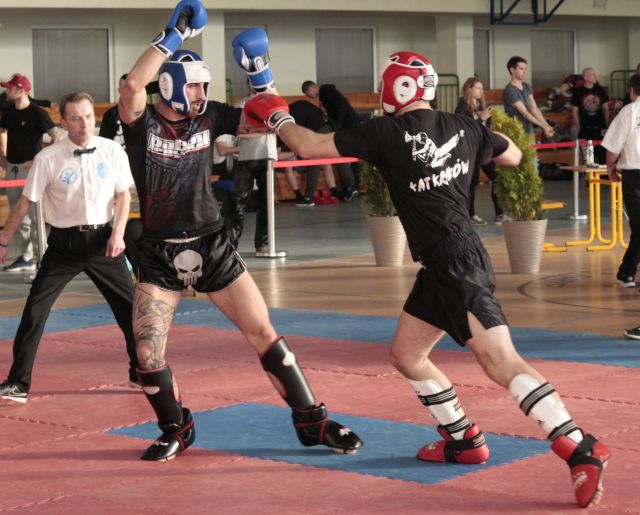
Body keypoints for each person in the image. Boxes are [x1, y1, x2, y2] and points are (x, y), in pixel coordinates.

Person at [245, 51, 611, 509]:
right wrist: (477, 140)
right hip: (443, 264)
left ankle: (579, 447)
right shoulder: (464, 127)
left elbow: (309, 145)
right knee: (407, 355)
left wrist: (275, 113)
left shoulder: (387, 132)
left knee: (501, 361)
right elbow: (514, 155)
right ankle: (464, 439)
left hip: (457, 264)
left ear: (398, 88)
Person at [117, 4, 362, 461]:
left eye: (203, 85)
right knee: (147, 354)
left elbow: (262, 118)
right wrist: (174, 34)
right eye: (193, 85)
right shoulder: (142, 124)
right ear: (168, 84)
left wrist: (260, 76)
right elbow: (132, 87)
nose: (201, 93)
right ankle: (176, 428)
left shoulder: (210, 116)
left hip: (211, 245)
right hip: (159, 253)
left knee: (264, 332)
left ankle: (313, 422)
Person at [0, 92, 140, 404]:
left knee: (130, 310)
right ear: (63, 122)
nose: (84, 123)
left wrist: (118, 234)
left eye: (88, 116)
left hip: (104, 242)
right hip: (63, 245)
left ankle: (140, 371)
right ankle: (19, 383)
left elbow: (123, 196)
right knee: (35, 310)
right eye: (75, 118)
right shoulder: (47, 158)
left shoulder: (112, 150)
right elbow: (26, 202)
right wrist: (4, 239)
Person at [0, 73, 62, 272]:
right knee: (17, 215)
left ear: (21, 90)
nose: (6, 90)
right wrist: (2, 155)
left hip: (31, 170)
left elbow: (57, 136)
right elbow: (2, 131)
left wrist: (40, 159)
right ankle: (26, 257)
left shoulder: (37, 112)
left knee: (35, 216)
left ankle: (42, 256)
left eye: (10, 87)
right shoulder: (9, 111)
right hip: (12, 168)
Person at [601, 73, 640, 293]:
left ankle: (626, 271)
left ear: (632, 91)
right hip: (634, 176)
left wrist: (610, 167)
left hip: (633, 177)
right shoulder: (629, 111)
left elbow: (613, 146)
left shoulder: (628, 111)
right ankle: (627, 271)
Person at [455, 78, 511, 224]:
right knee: (471, 183)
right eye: (478, 88)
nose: (481, 91)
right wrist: (481, 118)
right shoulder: (462, 108)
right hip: (470, 151)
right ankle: (470, 215)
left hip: (484, 149)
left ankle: (500, 213)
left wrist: (488, 120)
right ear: (469, 89)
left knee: (497, 177)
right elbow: (466, 131)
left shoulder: (481, 106)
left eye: (482, 88)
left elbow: (485, 128)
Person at [302, 80, 361, 190]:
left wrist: (338, 125)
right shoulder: (323, 96)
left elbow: (341, 105)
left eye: (307, 94)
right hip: (345, 125)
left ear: (310, 89)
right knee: (347, 155)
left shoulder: (326, 90)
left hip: (348, 124)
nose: (309, 96)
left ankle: (354, 186)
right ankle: (352, 186)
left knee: (351, 155)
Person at [503, 56, 554, 140]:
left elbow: (534, 109)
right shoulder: (509, 90)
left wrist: (547, 126)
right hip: (516, 133)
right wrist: (543, 126)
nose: (524, 72)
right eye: (521, 69)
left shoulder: (527, 86)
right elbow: (525, 113)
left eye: (525, 69)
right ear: (512, 70)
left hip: (529, 131)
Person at [571, 67, 610, 164]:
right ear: (585, 77)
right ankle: (588, 173)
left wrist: (606, 125)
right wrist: (579, 128)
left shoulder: (600, 89)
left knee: (603, 157)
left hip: (600, 128)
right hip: (585, 129)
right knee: (588, 159)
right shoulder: (578, 91)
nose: (595, 76)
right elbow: (574, 111)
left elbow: (606, 108)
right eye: (592, 74)